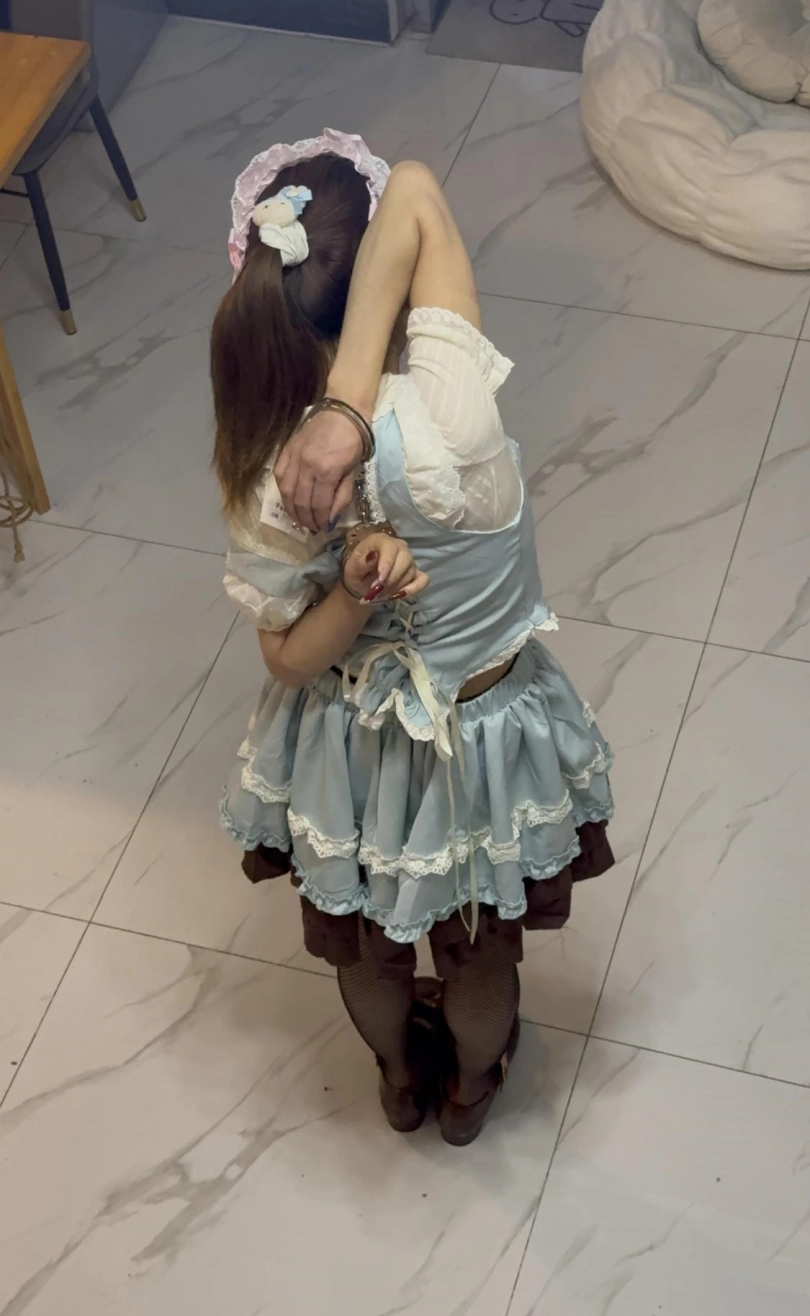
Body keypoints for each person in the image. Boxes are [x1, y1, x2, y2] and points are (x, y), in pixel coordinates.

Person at [212, 129, 614, 1146]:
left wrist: (353, 594)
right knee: (480, 953)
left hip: (352, 754)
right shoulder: (451, 404)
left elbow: (287, 660)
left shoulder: (270, 467)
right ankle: (470, 1090)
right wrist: (352, 409)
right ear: (381, 286)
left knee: (368, 953)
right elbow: (419, 190)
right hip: (486, 737)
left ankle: (397, 1078)